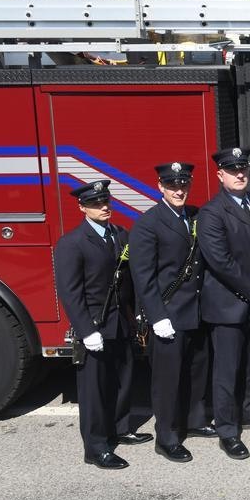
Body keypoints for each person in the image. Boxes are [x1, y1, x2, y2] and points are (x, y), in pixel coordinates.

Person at [55, 180, 150, 469]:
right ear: (82, 207)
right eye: (96, 203)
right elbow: (70, 293)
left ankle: (120, 428)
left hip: (120, 322)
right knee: (94, 389)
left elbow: (128, 280)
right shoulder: (72, 243)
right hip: (95, 325)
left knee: (122, 380)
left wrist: (135, 315)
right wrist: (86, 330)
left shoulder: (120, 235)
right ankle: (96, 447)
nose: (104, 207)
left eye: (106, 201)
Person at [197, 147, 250, 462]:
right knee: (226, 371)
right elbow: (219, 262)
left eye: (243, 168)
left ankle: (249, 411)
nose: (240, 174)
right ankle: (228, 430)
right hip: (227, 304)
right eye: (233, 170)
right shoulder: (211, 212)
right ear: (220, 175)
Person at [130, 162, 211, 464]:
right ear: (160, 186)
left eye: (184, 185)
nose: (179, 190)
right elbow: (143, 276)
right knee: (167, 380)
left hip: (196, 312)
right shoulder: (148, 223)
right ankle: (166, 437)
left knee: (196, 370)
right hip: (169, 315)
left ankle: (193, 419)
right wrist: (156, 316)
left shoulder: (195, 216)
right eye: (173, 185)